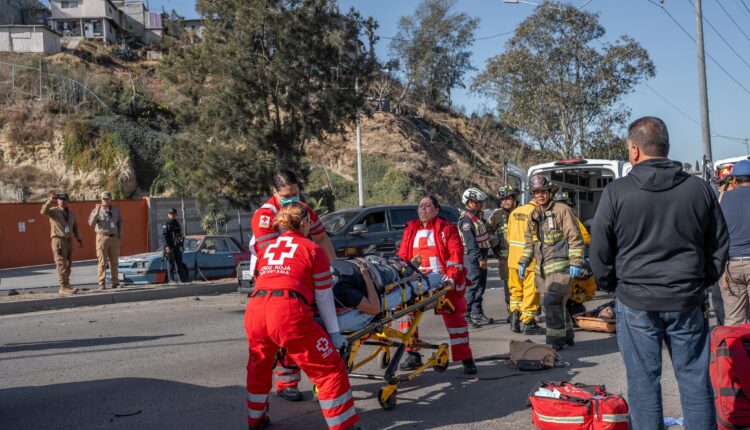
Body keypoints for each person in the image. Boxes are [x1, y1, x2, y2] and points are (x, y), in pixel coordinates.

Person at [590, 116, 728, 430]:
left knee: (642, 380)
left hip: (636, 300)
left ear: (635, 151)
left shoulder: (616, 192)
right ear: (665, 148)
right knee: (694, 378)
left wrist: (613, 285)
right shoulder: (699, 189)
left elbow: (599, 250)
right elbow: (719, 244)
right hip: (686, 299)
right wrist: (700, 282)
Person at [244, 202, 359, 430]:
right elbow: (324, 297)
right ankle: (344, 425)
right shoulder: (313, 250)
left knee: (259, 367)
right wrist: (334, 334)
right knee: (329, 370)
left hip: (256, 311)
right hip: (288, 313)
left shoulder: (268, 248)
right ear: (305, 223)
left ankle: (255, 420)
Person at [250, 170, 336, 402]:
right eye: (287, 195)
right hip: (275, 278)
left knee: (300, 330)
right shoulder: (265, 217)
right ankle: (286, 382)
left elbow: (321, 238)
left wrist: (335, 270)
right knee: (283, 332)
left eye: (296, 194)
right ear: (274, 193)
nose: (293, 199)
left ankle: (314, 381)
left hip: (301, 276)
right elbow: (270, 254)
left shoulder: (304, 210)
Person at [396, 195, 477, 374]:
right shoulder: (410, 230)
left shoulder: (447, 229)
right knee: (406, 314)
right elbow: (403, 255)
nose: (423, 209)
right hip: (417, 284)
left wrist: (451, 277)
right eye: (420, 206)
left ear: (436, 210)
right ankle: (413, 354)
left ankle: (466, 358)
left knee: (456, 318)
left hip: (443, 282)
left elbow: (456, 254)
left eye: (427, 206)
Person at [519, 175, 584, 349]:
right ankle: (568, 335)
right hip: (542, 269)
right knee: (557, 303)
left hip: (561, 267)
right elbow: (529, 242)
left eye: (543, 191)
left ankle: (555, 341)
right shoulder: (533, 215)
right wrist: (524, 261)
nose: (540, 195)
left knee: (551, 301)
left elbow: (575, 237)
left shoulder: (561, 210)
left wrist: (576, 262)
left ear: (549, 192)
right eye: (536, 192)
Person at [553, 192, 596, 319]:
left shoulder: (568, 219)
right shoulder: (563, 218)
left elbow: (583, 240)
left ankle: (573, 306)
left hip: (573, 259)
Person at [506, 191, 543, 334]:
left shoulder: (515, 212)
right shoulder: (537, 212)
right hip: (530, 260)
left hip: (513, 258)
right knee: (531, 292)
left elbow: (508, 237)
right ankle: (528, 322)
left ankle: (515, 315)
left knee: (515, 291)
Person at [720, 159, 750, 326]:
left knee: (734, 319)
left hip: (732, 265)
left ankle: (736, 351)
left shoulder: (723, 198)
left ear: (734, 179)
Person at [458, 187, 494, 326]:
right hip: (473, 256)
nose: (481, 204)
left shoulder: (477, 217)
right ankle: (465, 315)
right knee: (472, 286)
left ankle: (477, 313)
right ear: (470, 202)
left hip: (480, 254)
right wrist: (480, 259)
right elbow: (471, 242)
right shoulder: (466, 220)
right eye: (478, 202)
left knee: (480, 285)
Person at [487, 185, 519, 320]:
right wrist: (496, 244)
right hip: (505, 259)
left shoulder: (523, 212)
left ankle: (527, 313)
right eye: (502, 199)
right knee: (509, 289)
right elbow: (487, 231)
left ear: (515, 199)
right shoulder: (497, 215)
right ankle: (512, 313)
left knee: (526, 287)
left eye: (507, 198)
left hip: (523, 258)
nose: (504, 201)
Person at [41, 192, 83, 296]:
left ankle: (67, 284)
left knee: (68, 265)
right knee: (61, 264)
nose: (62, 201)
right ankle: (63, 287)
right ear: (57, 201)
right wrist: (50, 200)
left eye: (64, 199)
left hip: (69, 240)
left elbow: (75, 227)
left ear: (67, 201)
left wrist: (79, 239)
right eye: (60, 199)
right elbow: (43, 212)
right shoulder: (53, 211)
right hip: (58, 240)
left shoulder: (71, 214)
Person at [88, 191, 123, 290]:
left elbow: (120, 221)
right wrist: (97, 211)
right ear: (101, 200)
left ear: (110, 199)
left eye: (107, 198)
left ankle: (115, 282)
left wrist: (119, 234)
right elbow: (91, 223)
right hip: (102, 237)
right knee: (102, 261)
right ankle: (101, 283)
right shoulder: (96, 210)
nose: (105, 200)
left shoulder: (116, 210)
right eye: (103, 199)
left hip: (114, 238)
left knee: (114, 261)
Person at [161, 208, 184, 284]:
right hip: (169, 246)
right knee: (170, 263)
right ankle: (171, 280)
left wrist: (181, 245)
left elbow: (180, 235)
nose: (172, 215)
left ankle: (180, 279)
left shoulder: (177, 223)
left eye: (174, 214)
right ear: (168, 215)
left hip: (176, 246)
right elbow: (164, 236)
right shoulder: (166, 224)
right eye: (171, 214)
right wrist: (166, 246)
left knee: (179, 263)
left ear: (176, 215)